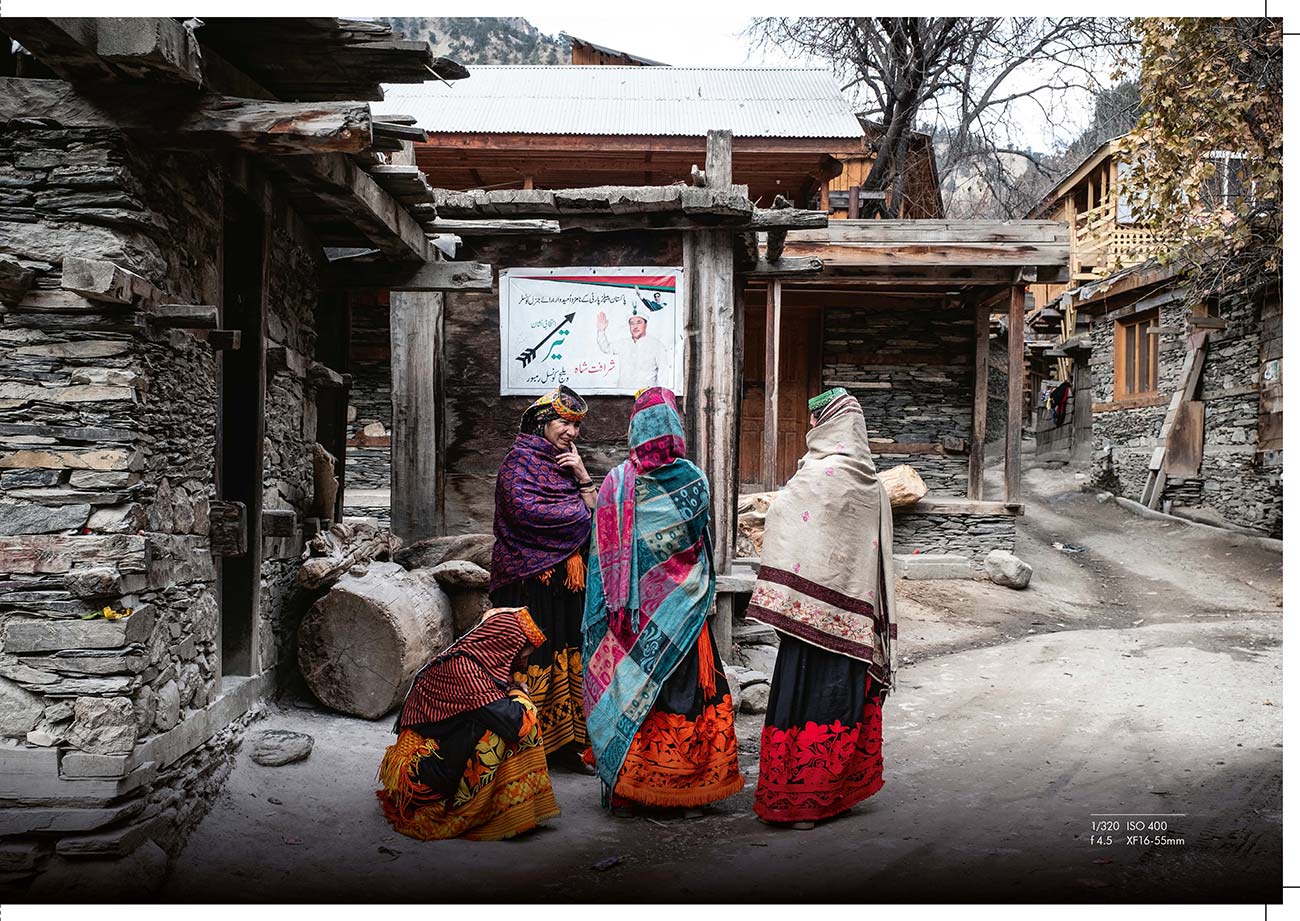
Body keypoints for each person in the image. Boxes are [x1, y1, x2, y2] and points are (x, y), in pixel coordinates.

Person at [583, 387, 744, 815]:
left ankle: (637, 785)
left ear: (635, 430)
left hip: (630, 624)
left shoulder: (615, 485)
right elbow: (699, 540)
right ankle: (687, 790)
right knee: (684, 692)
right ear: (675, 429)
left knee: (638, 692)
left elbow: (602, 559)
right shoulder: (694, 479)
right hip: (683, 610)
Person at [745, 387, 897, 829]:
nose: (811, 427)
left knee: (803, 699)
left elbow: (782, 522)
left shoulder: (817, 476)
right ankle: (830, 795)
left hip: (805, 621)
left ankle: (796, 800)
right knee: (839, 701)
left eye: (815, 420)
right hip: (853, 624)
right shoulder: (870, 482)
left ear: (825, 423)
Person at [376, 606, 560, 841]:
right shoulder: (464, 669)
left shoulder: (477, 661)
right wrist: (517, 692)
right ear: (504, 648)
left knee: (504, 718)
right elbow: (513, 723)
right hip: (421, 776)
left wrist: (513, 691)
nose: (523, 664)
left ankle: (503, 807)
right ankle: (482, 809)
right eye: (522, 656)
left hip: (442, 755)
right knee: (516, 722)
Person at [489, 385, 596, 770]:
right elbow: (527, 513)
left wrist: (583, 476)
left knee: (566, 656)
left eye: (576, 426)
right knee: (530, 657)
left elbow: (594, 512)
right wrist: (580, 513)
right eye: (564, 423)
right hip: (528, 581)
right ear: (542, 422)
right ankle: (524, 744)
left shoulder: (565, 465)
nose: (572, 432)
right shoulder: (518, 463)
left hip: (565, 587)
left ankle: (565, 746)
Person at [595, 308, 671, 391]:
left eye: (639, 322)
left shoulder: (657, 345)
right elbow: (606, 348)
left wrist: (660, 394)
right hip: (623, 394)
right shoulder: (623, 343)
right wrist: (601, 331)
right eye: (632, 323)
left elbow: (664, 372)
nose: (635, 326)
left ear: (645, 324)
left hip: (646, 396)